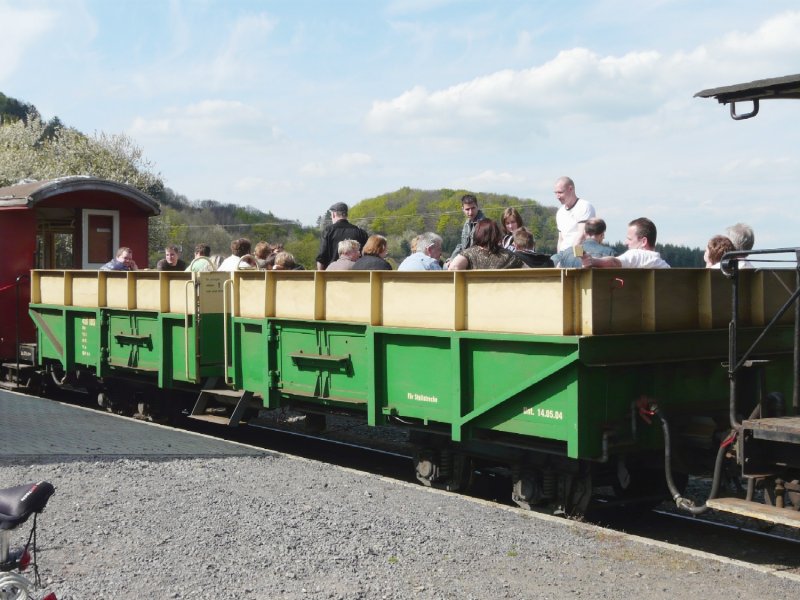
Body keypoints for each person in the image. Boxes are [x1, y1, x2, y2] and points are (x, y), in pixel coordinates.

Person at [581, 217, 670, 269]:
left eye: (629, 239)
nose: (625, 243)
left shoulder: (638, 255)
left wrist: (592, 261)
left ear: (643, 241)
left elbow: (614, 262)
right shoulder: (664, 266)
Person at [448, 219, 527, 270]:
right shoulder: (508, 255)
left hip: (475, 294)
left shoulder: (469, 254)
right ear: (496, 234)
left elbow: (454, 267)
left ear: (477, 233)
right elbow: (528, 271)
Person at [315, 202, 369, 270]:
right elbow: (366, 256)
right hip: (356, 274)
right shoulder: (360, 232)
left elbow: (321, 258)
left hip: (332, 274)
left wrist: (321, 277)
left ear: (334, 214)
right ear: (346, 214)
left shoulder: (328, 231)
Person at [551, 218, 615, 268]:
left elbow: (553, 260)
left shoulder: (566, 253)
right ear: (602, 234)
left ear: (584, 232)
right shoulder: (609, 253)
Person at [554, 176, 595, 252]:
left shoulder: (584, 206)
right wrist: (559, 258)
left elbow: (582, 235)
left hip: (580, 254)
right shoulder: (560, 212)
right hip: (564, 255)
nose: (557, 196)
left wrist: (574, 255)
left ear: (571, 189)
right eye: (555, 193)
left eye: (560, 192)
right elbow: (560, 240)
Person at [449, 194, 485, 260]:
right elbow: (462, 245)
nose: (470, 212)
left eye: (473, 208)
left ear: (477, 207)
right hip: (466, 257)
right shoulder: (467, 223)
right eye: (467, 209)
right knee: (446, 266)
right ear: (463, 209)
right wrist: (451, 259)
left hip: (477, 260)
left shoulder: (484, 224)